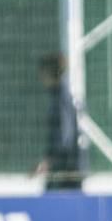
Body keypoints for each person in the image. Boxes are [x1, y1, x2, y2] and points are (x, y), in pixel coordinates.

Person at [34, 52, 83, 190]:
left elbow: (64, 137)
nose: (40, 77)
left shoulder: (61, 98)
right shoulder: (61, 96)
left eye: (43, 72)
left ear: (50, 73)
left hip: (65, 173)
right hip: (66, 169)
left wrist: (49, 161)